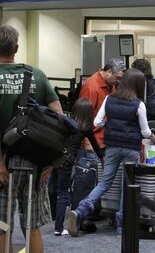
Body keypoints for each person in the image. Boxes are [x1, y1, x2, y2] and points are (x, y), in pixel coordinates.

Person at [68, 69, 155, 237]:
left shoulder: (109, 98)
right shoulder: (139, 104)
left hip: (112, 147)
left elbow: (97, 121)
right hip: (131, 149)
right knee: (127, 186)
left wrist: (109, 125)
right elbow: (145, 132)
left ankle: (81, 210)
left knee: (104, 183)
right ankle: (122, 227)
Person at [0, 24, 63, 252]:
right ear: (16, 48)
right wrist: (50, 161)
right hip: (34, 162)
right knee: (32, 225)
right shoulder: (35, 74)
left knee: (2, 224)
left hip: (3, 163)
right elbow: (59, 118)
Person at [54, 98, 103, 236]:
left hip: (57, 158)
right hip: (69, 161)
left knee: (60, 193)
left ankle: (57, 225)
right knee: (65, 194)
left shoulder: (66, 122)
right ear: (88, 114)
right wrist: (103, 160)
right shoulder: (85, 128)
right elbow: (96, 147)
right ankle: (58, 228)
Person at [79, 58, 126, 151]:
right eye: (118, 77)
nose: (119, 81)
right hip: (94, 142)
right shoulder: (91, 87)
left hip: (106, 139)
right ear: (108, 71)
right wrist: (87, 142)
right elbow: (83, 117)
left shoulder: (111, 84)